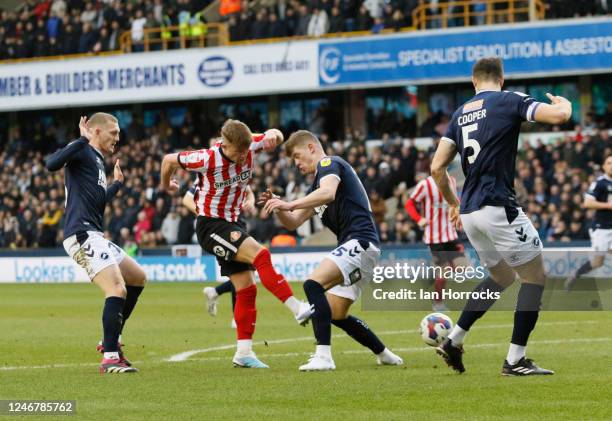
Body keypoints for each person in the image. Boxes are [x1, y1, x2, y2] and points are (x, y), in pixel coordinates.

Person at [430, 57, 572, 376]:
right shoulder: (510, 100)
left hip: (469, 212)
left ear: (473, 81)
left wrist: (453, 203)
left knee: (502, 277)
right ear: (502, 79)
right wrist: (565, 104)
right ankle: (515, 360)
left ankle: (454, 340)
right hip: (497, 206)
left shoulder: (460, 113)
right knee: (535, 278)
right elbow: (559, 116)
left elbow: (437, 167)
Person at [159, 119, 312, 368]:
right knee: (261, 256)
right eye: (238, 152)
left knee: (246, 287)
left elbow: (277, 135)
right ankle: (297, 308)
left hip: (233, 224)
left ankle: (243, 353)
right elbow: (168, 160)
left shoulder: (250, 146)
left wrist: (274, 133)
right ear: (225, 144)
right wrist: (167, 185)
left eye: (246, 151)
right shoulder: (207, 158)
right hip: (211, 225)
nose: (243, 156)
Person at [261, 130, 403, 371]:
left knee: (312, 285)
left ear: (311, 148)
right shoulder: (317, 186)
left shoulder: (329, 164)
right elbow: (294, 222)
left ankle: (324, 357)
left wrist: (289, 202)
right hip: (363, 248)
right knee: (336, 314)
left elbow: (329, 193)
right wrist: (279, 206)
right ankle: (384, 354)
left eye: (297, 156)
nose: (296, 164)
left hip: (360, 242)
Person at [45, 114, 147, 374]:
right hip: (80, 234)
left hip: (94, 233)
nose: (118, 138)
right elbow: (51, 164)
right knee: (116, 288)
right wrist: (81, 138)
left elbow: (97, 199)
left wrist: (117, 185)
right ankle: (111, 357)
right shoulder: (80, 150)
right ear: (97, 131)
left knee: (137, 277)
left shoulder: (99, 160)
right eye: (113, 132)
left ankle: (110, 341)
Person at [405, 174, 469, 311]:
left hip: (451, 234)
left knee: (463, 267)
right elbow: (409, 203)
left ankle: (430, 276)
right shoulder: (425, 185)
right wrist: (418, 219)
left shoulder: (451, 180)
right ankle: (437, 303)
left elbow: (455, 202)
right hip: (435, 238)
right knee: (444, 271)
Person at [183, 182, 240, 326]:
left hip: (236, 222)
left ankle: (215, 292)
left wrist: (250, 202)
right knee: (239, 270)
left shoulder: (236, 172)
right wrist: (205, 213)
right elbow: (186, 199)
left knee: (242, 272)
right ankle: (237, 318)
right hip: (219, 227)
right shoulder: (206, 178)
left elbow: (249, 192)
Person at [565, 155, 612, 291]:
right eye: (608, 163)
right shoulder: (600, 183)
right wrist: (608, 206)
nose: (611, 165)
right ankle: (576, 274)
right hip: (600, 228)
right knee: (598, 262)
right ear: (603, 166)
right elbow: (587, 203)